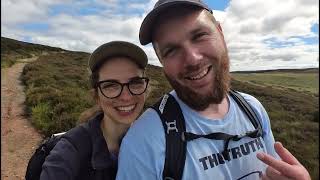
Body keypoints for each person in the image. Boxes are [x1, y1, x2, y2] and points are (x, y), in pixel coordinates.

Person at [116, 0, 311, 180]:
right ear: (161, 62)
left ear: (221, 33)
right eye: (171, 50)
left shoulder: (253, 109)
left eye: (199, 36)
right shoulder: (143, 142)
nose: (192, 59)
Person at [40, 41, 149, 180]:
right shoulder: (69, 152)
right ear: (96, 96)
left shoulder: (151, 140)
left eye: (135, 83)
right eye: (111, 85)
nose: (126, 97)